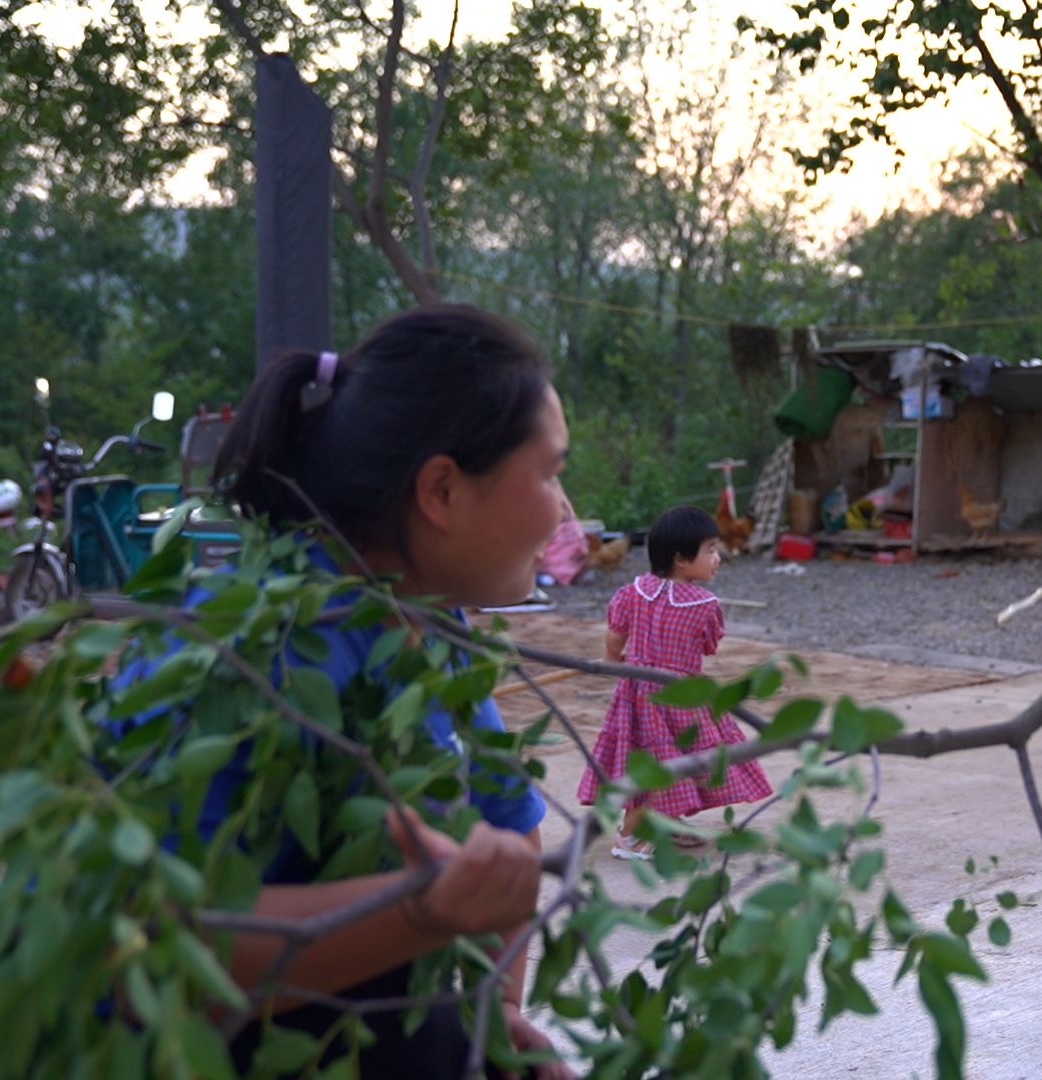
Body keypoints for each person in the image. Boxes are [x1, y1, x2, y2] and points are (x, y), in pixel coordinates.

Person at [111, 305, 575, 1078]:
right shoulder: (251, 652)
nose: (564, 508)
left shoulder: (431, 623)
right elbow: (148, 951)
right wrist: (416, 915)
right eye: (553, 472)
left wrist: (499, 1011)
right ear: (442, 491)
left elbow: (510, 832)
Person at [577, 505, 772, 859]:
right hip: (680, 693)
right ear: (682, 559)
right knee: (666, 761)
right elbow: (708, 645)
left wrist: (611, 660)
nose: (718, 558)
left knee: (654, 757)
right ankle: (631, 838)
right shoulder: (704, 604)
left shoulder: (634, 590)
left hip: (635, 690)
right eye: (711, 550)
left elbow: (616, 630)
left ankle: (663, 824)